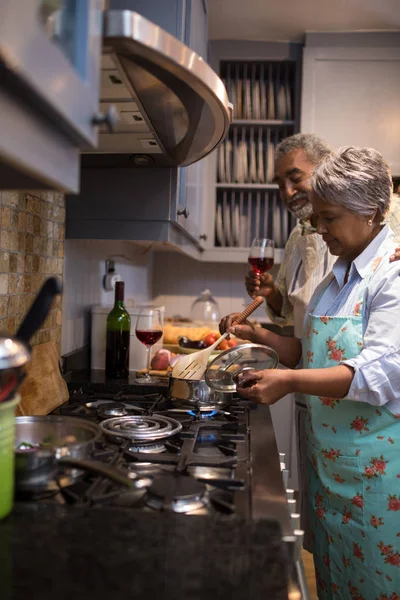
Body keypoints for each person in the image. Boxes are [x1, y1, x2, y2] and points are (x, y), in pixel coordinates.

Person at [222, 147, 400, 600]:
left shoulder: (391, 275)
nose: (320, 230)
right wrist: (258, 333)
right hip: (329, 466)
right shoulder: (336, 275)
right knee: (333, 580)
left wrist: (289, 382)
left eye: (330, 218)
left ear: (372, 212)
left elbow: (380, 371)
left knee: (373, 585)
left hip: (375, 476)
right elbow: (311, 350)